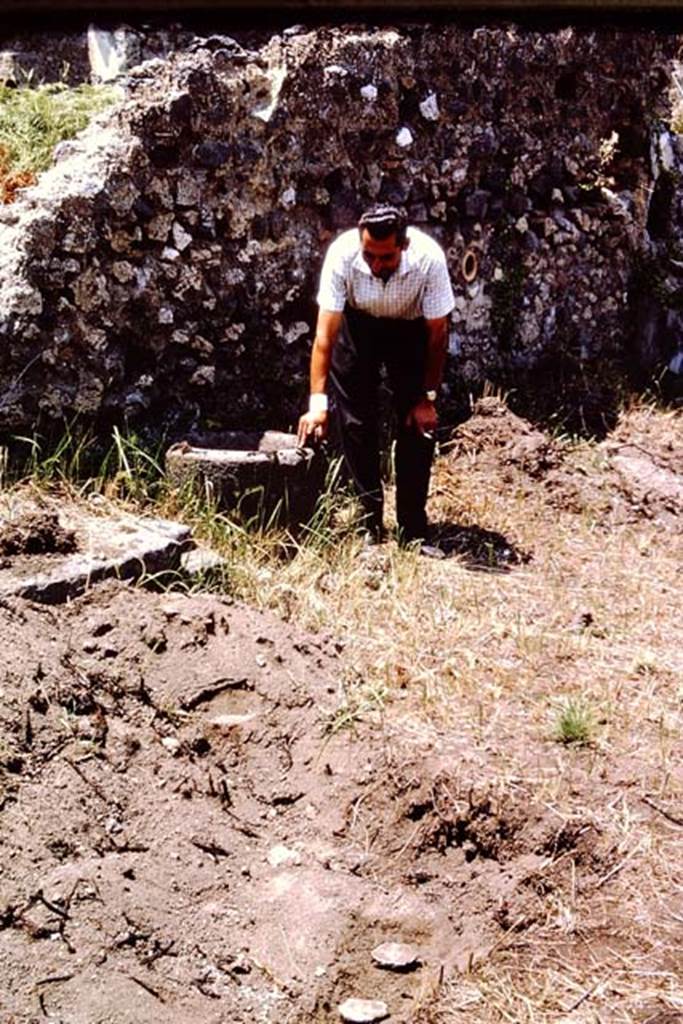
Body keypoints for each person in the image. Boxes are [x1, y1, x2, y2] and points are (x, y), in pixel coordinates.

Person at [297, 204, 455, 548]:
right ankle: (369, 522)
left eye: (386, 258)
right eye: (369, 256)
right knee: (355, 423)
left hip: (409, 330)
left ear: (404, 246)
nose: (376, 265)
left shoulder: (429, 259)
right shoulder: (342, 255)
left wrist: (427, 398)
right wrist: (317, 405)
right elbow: (324, 336)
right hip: (359, 328)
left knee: (417, 426)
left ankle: (412, 529)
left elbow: (437, 335)